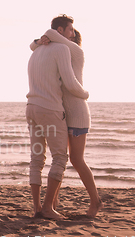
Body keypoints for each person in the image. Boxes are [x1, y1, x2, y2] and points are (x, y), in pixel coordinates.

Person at [30, 16, 103, 218]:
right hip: (61, 111)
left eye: (72, 32)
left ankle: (95, 201)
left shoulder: (76, 52)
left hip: (78, 112)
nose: (71, 34)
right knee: (59, 156)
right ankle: (52, 203)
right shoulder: (59, 54)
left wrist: (43, 38)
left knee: (76, 159)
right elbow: (46, 42)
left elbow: (53, 36)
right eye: (70, 30)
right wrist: (38, 42)